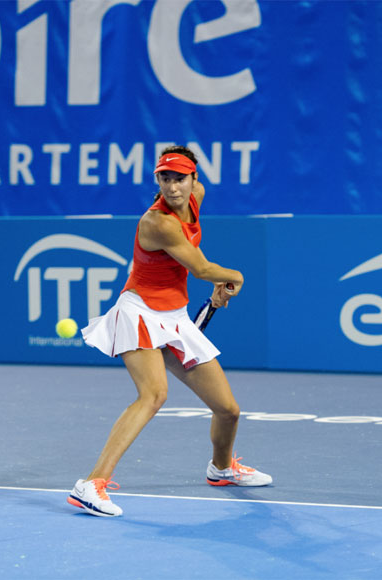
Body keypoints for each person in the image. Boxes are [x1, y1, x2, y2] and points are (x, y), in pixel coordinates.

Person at [67, 146, 272, 517]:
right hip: (140, 313)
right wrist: (234, 278)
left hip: (175, 318)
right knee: (153, 395)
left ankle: (222, 469)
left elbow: (193, 252)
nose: (173, 187)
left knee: (228, 409)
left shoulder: (196, 197)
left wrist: (215, 288)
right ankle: (91, 484)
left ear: (194, 179)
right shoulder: (156, 223)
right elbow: (203, 269)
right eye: (165, 178)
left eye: (180, 178)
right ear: (157, 180)